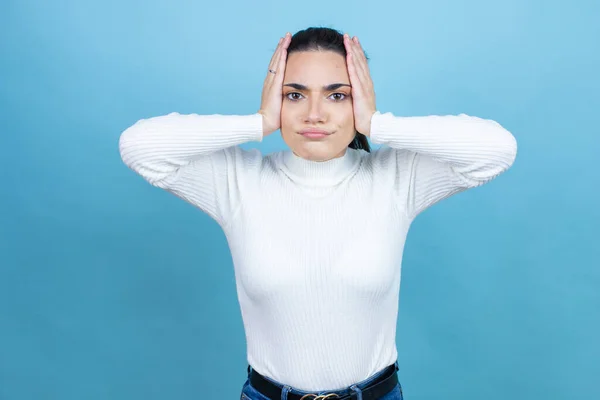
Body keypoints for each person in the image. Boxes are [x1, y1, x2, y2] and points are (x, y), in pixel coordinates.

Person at [119, 27, 517, 400]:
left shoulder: (395, 178)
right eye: (294, 95)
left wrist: (379, 124)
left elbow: (497, 150)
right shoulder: (238, 181)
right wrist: (257, 123)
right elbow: (139, 147)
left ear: (358, 100)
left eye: (336, 95)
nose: (314, 114)